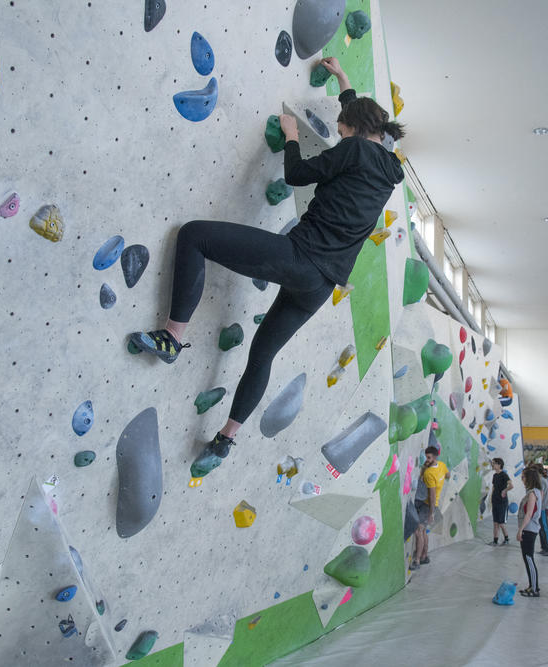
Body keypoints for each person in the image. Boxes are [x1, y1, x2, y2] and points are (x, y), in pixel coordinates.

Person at [127, 57, 405, 478]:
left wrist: (292, 136)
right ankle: (226, 438)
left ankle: (171, 337)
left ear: (353, 130)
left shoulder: (355, 149)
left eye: (342, 129)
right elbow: (365, 125)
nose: (339, 135)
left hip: (300, 257)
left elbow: (296, 174)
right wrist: (343, 80)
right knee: (263, 353)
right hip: (320, 286)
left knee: (195, 235)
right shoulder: (388, 169)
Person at [410, 446, 450, 570]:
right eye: (426, 457)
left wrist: (431, 513)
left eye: (428, 458)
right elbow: (448, 475)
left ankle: (417, 560)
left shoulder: (429, 473)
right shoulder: (442, 465)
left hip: (428, 505)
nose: (426, 460)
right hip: (432, 504)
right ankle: (424, 556)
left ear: (435, 457)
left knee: (418, 531)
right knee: (423, 531)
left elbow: (432, 496)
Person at [516, 467, 543, 597]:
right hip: (529, 529)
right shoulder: (536, 492)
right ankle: (531, 586)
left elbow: (529, 514)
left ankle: (535, 588)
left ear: (529, 479)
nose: (522, 479)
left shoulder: (532, 494)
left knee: (529, 558)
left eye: (523, 477)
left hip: (529, 529)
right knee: (527, 558)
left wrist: (520, 530)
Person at [490, 458, 513, 545]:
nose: (492, 465)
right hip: (495, 501)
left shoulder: (504, 475)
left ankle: (506, 539)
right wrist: (491, 498)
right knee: (495, 522)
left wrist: (505, 491)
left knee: (501, 523)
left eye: (494, 463)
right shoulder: (494, 476)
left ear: (499, 465)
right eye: (492, 463)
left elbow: (511, 485)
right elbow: (494, 487)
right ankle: (495, 541)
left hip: (502, 502)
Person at [536, 464, 548, 555]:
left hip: (543, 507)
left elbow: (541, 495)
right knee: (541, 528)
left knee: (544, 527)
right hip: (540, 507)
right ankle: (544, 547)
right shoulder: (539, 480)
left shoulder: (542, 481)